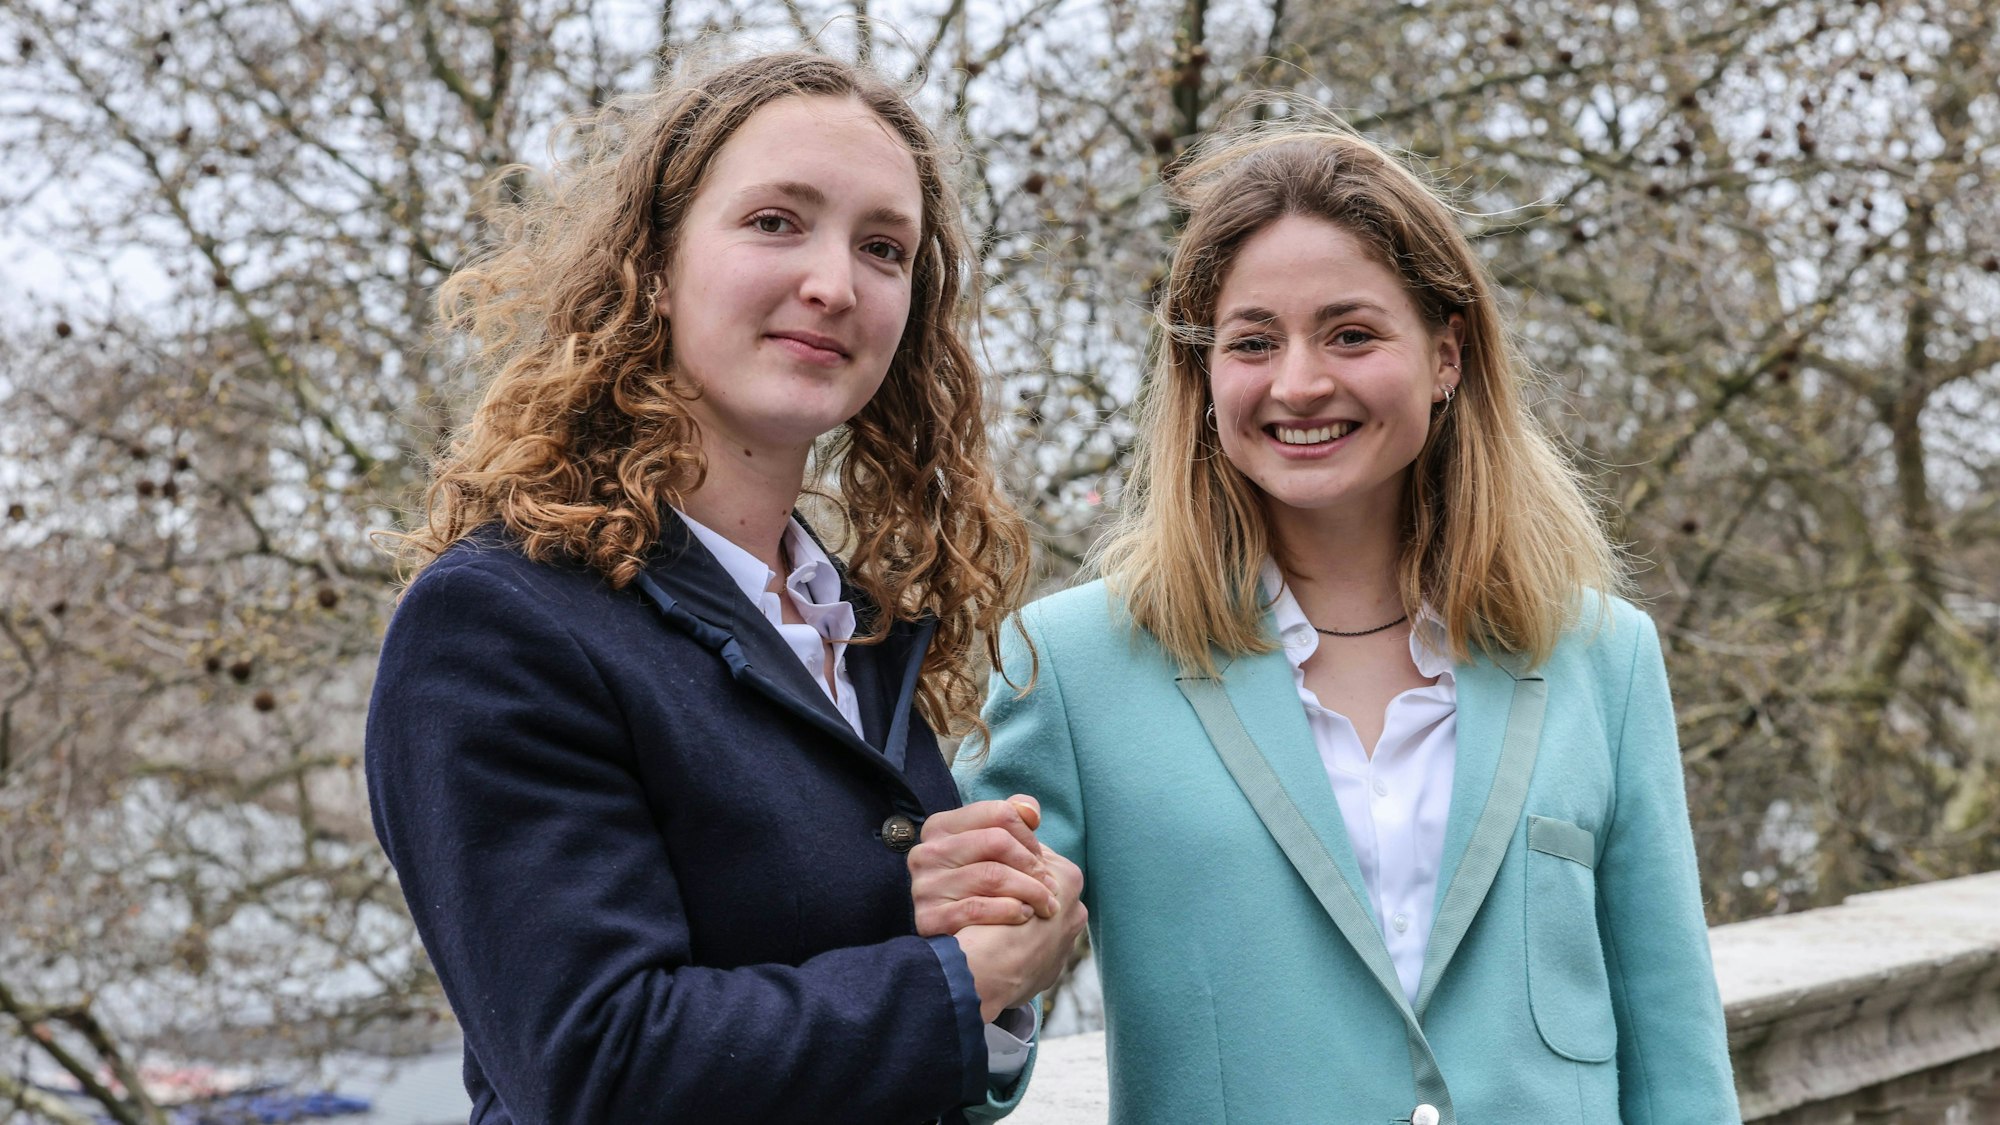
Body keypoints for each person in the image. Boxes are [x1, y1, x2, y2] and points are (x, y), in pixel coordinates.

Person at [931, 123, 1740, 1124]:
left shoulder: (1603, 660)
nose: (1299, 382)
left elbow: (1675, 1059)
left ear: (1445, 356)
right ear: (1202, 373)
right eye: (1252, 341)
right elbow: (956, 1040)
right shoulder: (1070, 668)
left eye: (1350, 334)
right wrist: (986, 978)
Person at [365, 50, 1084, 1125]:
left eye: (882, 248)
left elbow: (854, 986)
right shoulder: (501, 621)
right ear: (651, 266)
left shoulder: (859, 627)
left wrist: (974, 929)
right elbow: (597, 1067)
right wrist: (965, 977)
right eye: (775, 223)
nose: (833, 284)